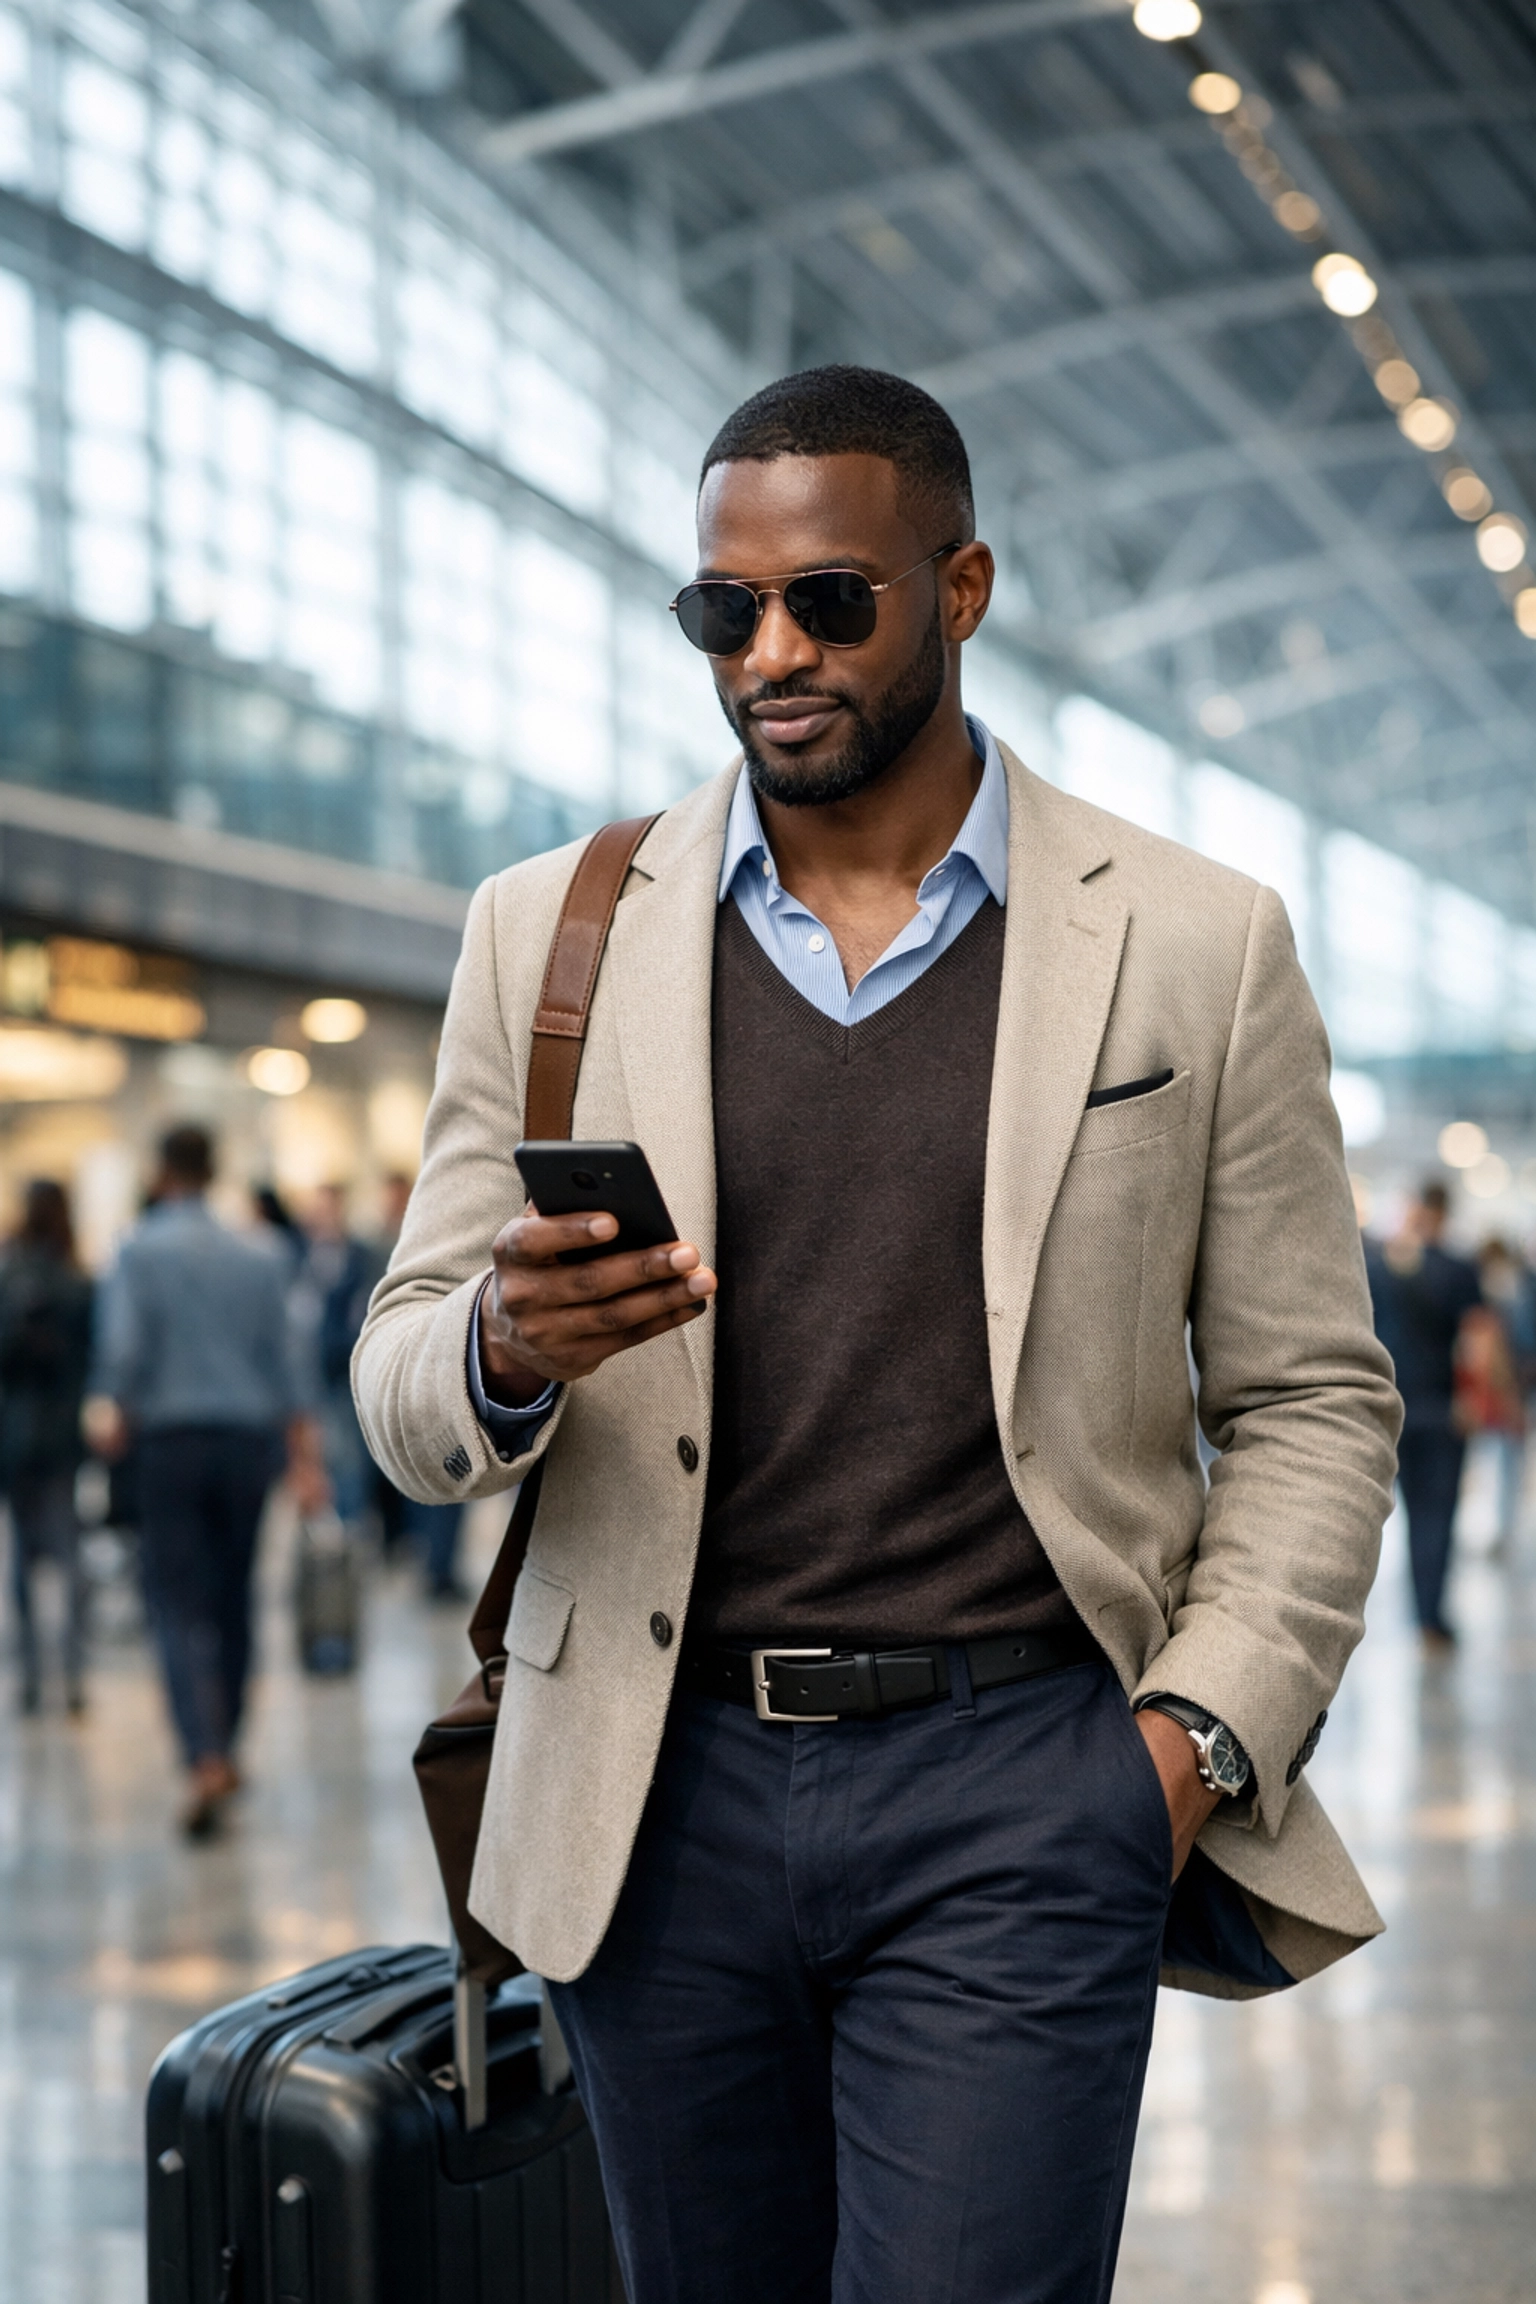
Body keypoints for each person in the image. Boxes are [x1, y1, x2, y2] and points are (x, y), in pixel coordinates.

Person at [355, 367, 1401, 2304]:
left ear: (964, 584)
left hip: (1022, 1782)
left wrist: (1185, 1744)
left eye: (830, 601)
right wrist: (509, 1337)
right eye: (722, 612)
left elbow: (1313, 1397)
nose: (771, 653)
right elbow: (404, 1375)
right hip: (653, 1797)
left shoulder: (1191, 939)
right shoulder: (551, 935)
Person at [91, 1125, 328, 1837]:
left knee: (173, 1599)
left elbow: (124, 1351)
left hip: (170, 1443)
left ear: (161, 1171)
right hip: (248, 1443)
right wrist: (306, 1458)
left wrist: (112, 1412)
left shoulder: (139, 1250)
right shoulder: (260, 1254)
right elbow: (290, 1361)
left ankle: (201, 1753)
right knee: (234, 1596)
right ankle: (228, 1741)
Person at [1364, 1179, 1481, 1647]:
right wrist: (1475, 1398)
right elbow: (1478, 1340)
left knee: (1383, 1514)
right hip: (1440, 1408)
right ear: (1446, 1213)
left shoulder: (1377, 1267)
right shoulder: (1458, 1269)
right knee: (1436, 1514)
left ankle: (1383, 1616)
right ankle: (1429, 1617)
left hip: (1389, 1408)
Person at [0, 1180, 94, 1715]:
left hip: (15, 1436)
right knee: (67, 1554)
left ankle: (32, 1678)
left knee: (22, 1561)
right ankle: (74, 1672)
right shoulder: (76, 1281)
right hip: (61, 1436)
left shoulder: (10, 1276)